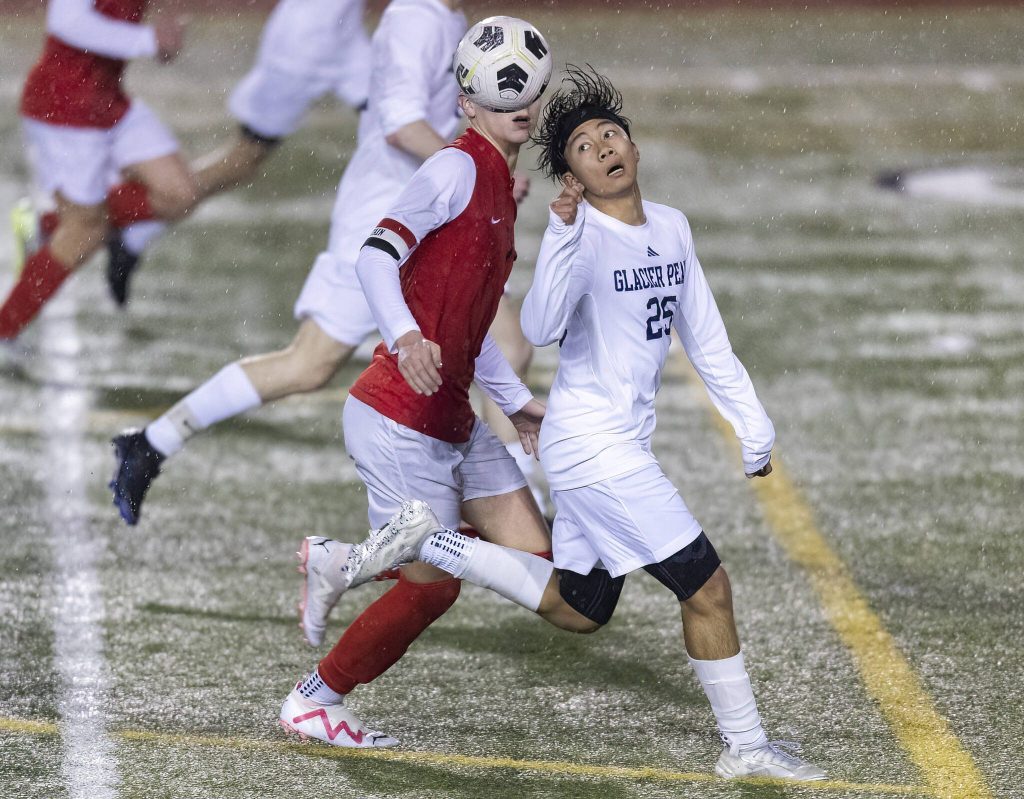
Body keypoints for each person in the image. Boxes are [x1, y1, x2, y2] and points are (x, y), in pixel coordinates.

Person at [322, 67, 826, 782]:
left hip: (614, 440)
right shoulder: (579, 233)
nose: (605, 147)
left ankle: (433, 542)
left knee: (583, 606)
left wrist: (753, 424)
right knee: (706, 585)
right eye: (585, 146)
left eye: (612, 134)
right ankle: (744, 744)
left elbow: (707, 339)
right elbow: (539, 324)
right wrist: (560, 237)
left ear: (634, 147)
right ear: (574, 177)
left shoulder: (673, 228)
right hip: (591, 447)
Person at [276, 16, 604, 749]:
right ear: (467, 103)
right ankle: (313, 698)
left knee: (542, 569)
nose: (518, 103)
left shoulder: (498, 184)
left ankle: (350, 559)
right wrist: (402, 333)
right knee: (436, 586)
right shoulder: (455, 170)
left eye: (526, 90)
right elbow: (374, 255)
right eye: (500, 91)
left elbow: (473, 322)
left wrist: (516, 403)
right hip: (397, 418)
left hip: (453, 416)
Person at [107, 0, 543, 526]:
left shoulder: (446, 19)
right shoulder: (416, 20)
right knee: (308, 363)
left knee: (507, 345)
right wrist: (482, 168)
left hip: (436, 217)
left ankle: (518, 510)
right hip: (386, 220)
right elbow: (402, 125)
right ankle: (151, 442)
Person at [101, 0, 373, 305]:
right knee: (244, 159)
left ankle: (390, 259)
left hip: (339, 32)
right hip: (309, 42)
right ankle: (138, 214)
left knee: (402, 127)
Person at [0, 0, 195, 340]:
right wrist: (149, 40)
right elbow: (66, 21)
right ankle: (4, 330)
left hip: (109, 101)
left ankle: (49, 227)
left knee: (178, 194)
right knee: (85, 233)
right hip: (63, 107)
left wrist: (158, 40)